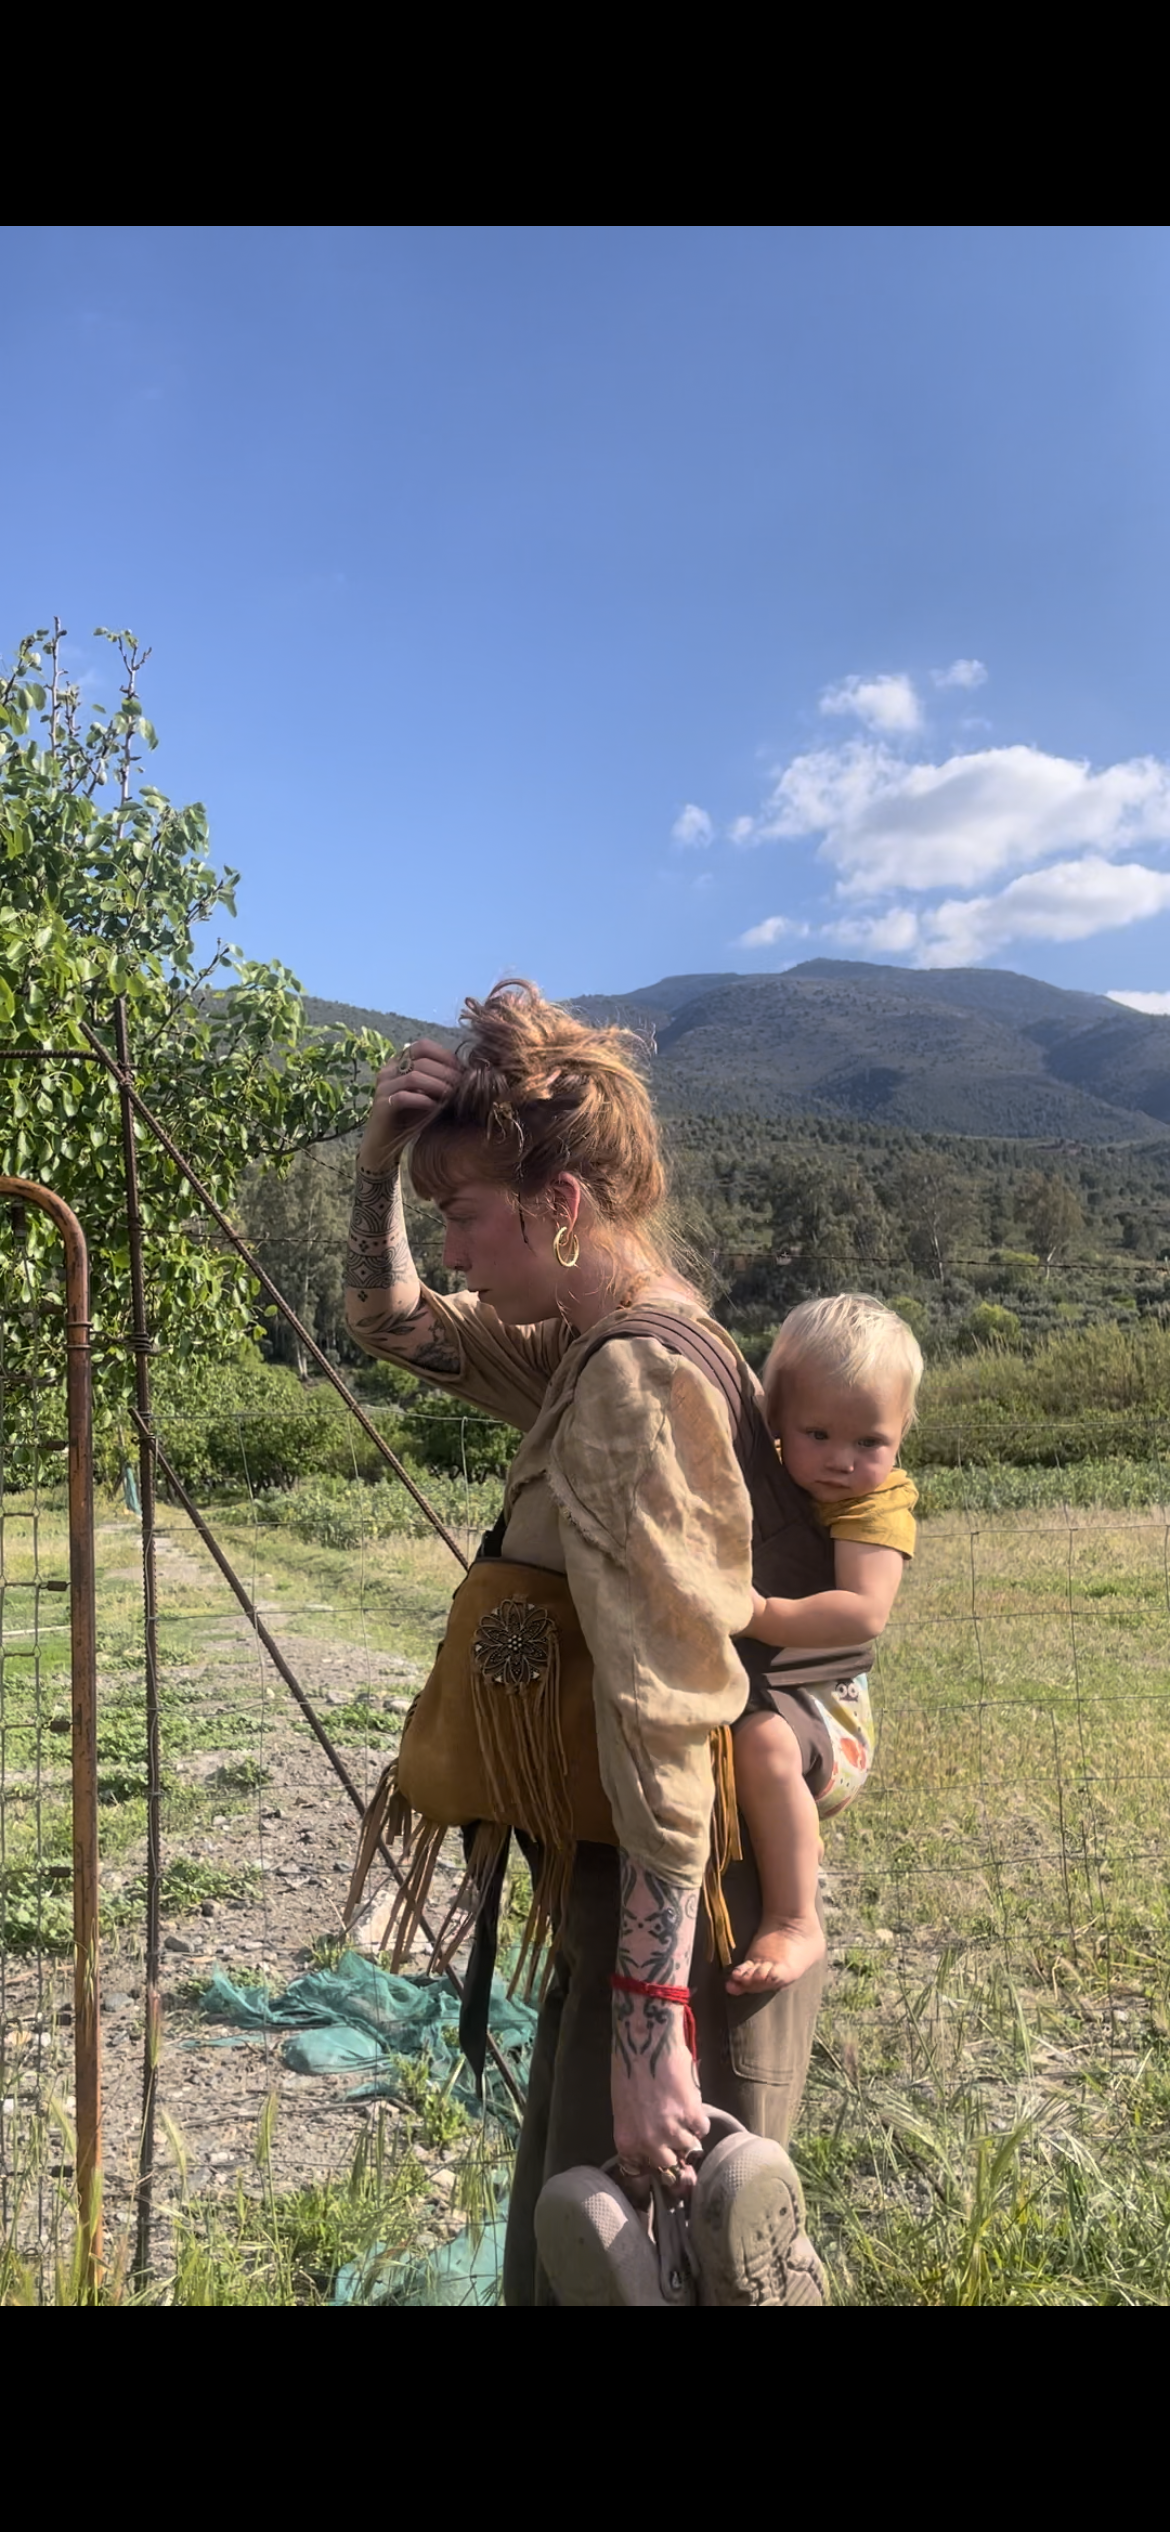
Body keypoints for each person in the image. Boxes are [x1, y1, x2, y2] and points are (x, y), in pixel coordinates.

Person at [344, 982, 830, 2306]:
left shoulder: (634, 1379)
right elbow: (388, 1324)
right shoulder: (587, 1347)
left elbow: (668, 1718)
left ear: (560, 1207)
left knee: (634, 2272)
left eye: (467, 1218)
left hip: (675, 1914)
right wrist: (382, 1165)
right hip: (625, 1896)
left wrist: (648, 2031)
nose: (455, 1255)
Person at [730, 1295, 921, 1997]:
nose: (843, 1461)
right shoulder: (767, 1477)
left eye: (870, 1442)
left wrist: (758, 1612)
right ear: (774, 1418)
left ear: (902, 1432)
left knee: (763, 1746)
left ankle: (793, 1916)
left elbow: (863, 1613)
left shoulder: (877, 1505)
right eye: (819, 1434)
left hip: (832, 1721)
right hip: (783, 1690)